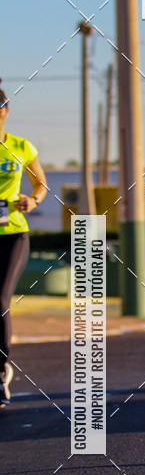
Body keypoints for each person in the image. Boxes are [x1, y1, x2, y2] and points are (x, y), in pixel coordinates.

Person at [0, 81, 48, 406]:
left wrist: (32, 200)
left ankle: (1, 370)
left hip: (12, 234)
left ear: (5, 111)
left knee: (0, 298)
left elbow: (41, 182)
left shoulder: (20, 146)